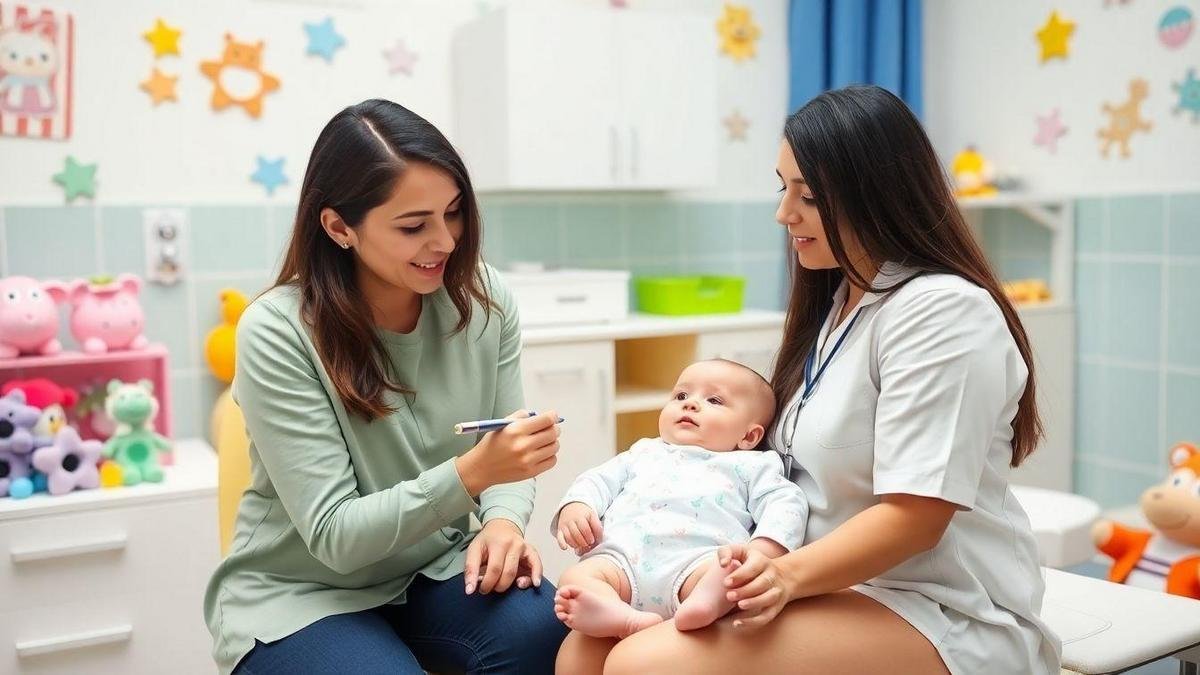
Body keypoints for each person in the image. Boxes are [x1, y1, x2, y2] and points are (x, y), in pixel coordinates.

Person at [557, 85, 1062, 675]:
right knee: (582, 651)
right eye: (783, 187)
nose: (783, 214)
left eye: (810, 196)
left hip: (942, 606)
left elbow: (916, 517)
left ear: (879, 196)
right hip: (825, 583)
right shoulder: (839, 306)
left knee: (644, 664)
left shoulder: (943, 312)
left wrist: (778, 576)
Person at [203, 99, 568, 675]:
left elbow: (506, 439)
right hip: (302, 594)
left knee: (550, 633)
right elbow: (335, 536)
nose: (446, 241)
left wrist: (501, 521)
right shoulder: (278, 330)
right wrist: (476, 472)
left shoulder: (484, 298)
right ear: (339, 227)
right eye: (413, 225)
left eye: (454, 213)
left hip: (433, 565)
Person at [552, 359, 807, 638]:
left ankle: (705, 603)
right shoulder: (643, 452)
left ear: (748, 436)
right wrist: (577, 505)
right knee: (574, 580)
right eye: (681, 396)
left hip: (697, 565)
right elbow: (597, 480)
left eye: (714, 400)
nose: (691, 404)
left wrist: (764, 550)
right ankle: (620, 616)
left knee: (731, 576)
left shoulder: (751, 465)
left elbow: (785, 501)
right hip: (620, 562)